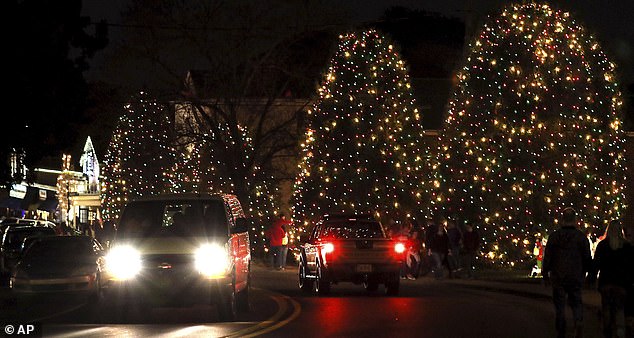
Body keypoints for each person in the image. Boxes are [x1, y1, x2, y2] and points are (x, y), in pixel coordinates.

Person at [542, 207, 592, 338]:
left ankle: (561, 328)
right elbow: (587, 257)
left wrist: (545, 273)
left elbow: (548, 257)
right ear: (575, 220)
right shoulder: (581, 237)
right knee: (576, 300)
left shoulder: (554, 237)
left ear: (562, 219)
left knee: (559, 304)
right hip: (575, 274)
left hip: (558, 275)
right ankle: (578, 320)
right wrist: (587, 273)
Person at [588, 220, 633, 338]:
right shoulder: (627, 246)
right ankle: (620, 332)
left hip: (606, 282)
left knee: (606, 308)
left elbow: (596, 264)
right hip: (622, 283)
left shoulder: (603, 246)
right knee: (619, 309)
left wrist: (591, 279)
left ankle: (607, 331)